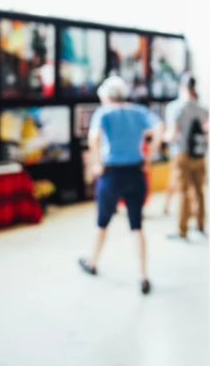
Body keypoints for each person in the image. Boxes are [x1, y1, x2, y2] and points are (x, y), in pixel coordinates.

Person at [79, 76, 163, 295]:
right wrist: (149, 154)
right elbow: (160, 127)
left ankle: (93, 262)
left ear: (106, 97)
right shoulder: (138, 111)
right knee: (136, 225)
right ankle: (143, 276)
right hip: (136, 173)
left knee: (102, 222)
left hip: (112, 174)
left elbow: (93, 138)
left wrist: (98, 162)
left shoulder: (104, 113)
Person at [165, 74, 209, 240]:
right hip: (199, 155)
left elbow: (172, 133)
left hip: (181, 154)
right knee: (199, 191)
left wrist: (165, 137)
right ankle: (200, 225)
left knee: (183, 192)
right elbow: (206, 132)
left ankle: (182, 230)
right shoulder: (203, 109)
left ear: (182, 88)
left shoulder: (175, 107)